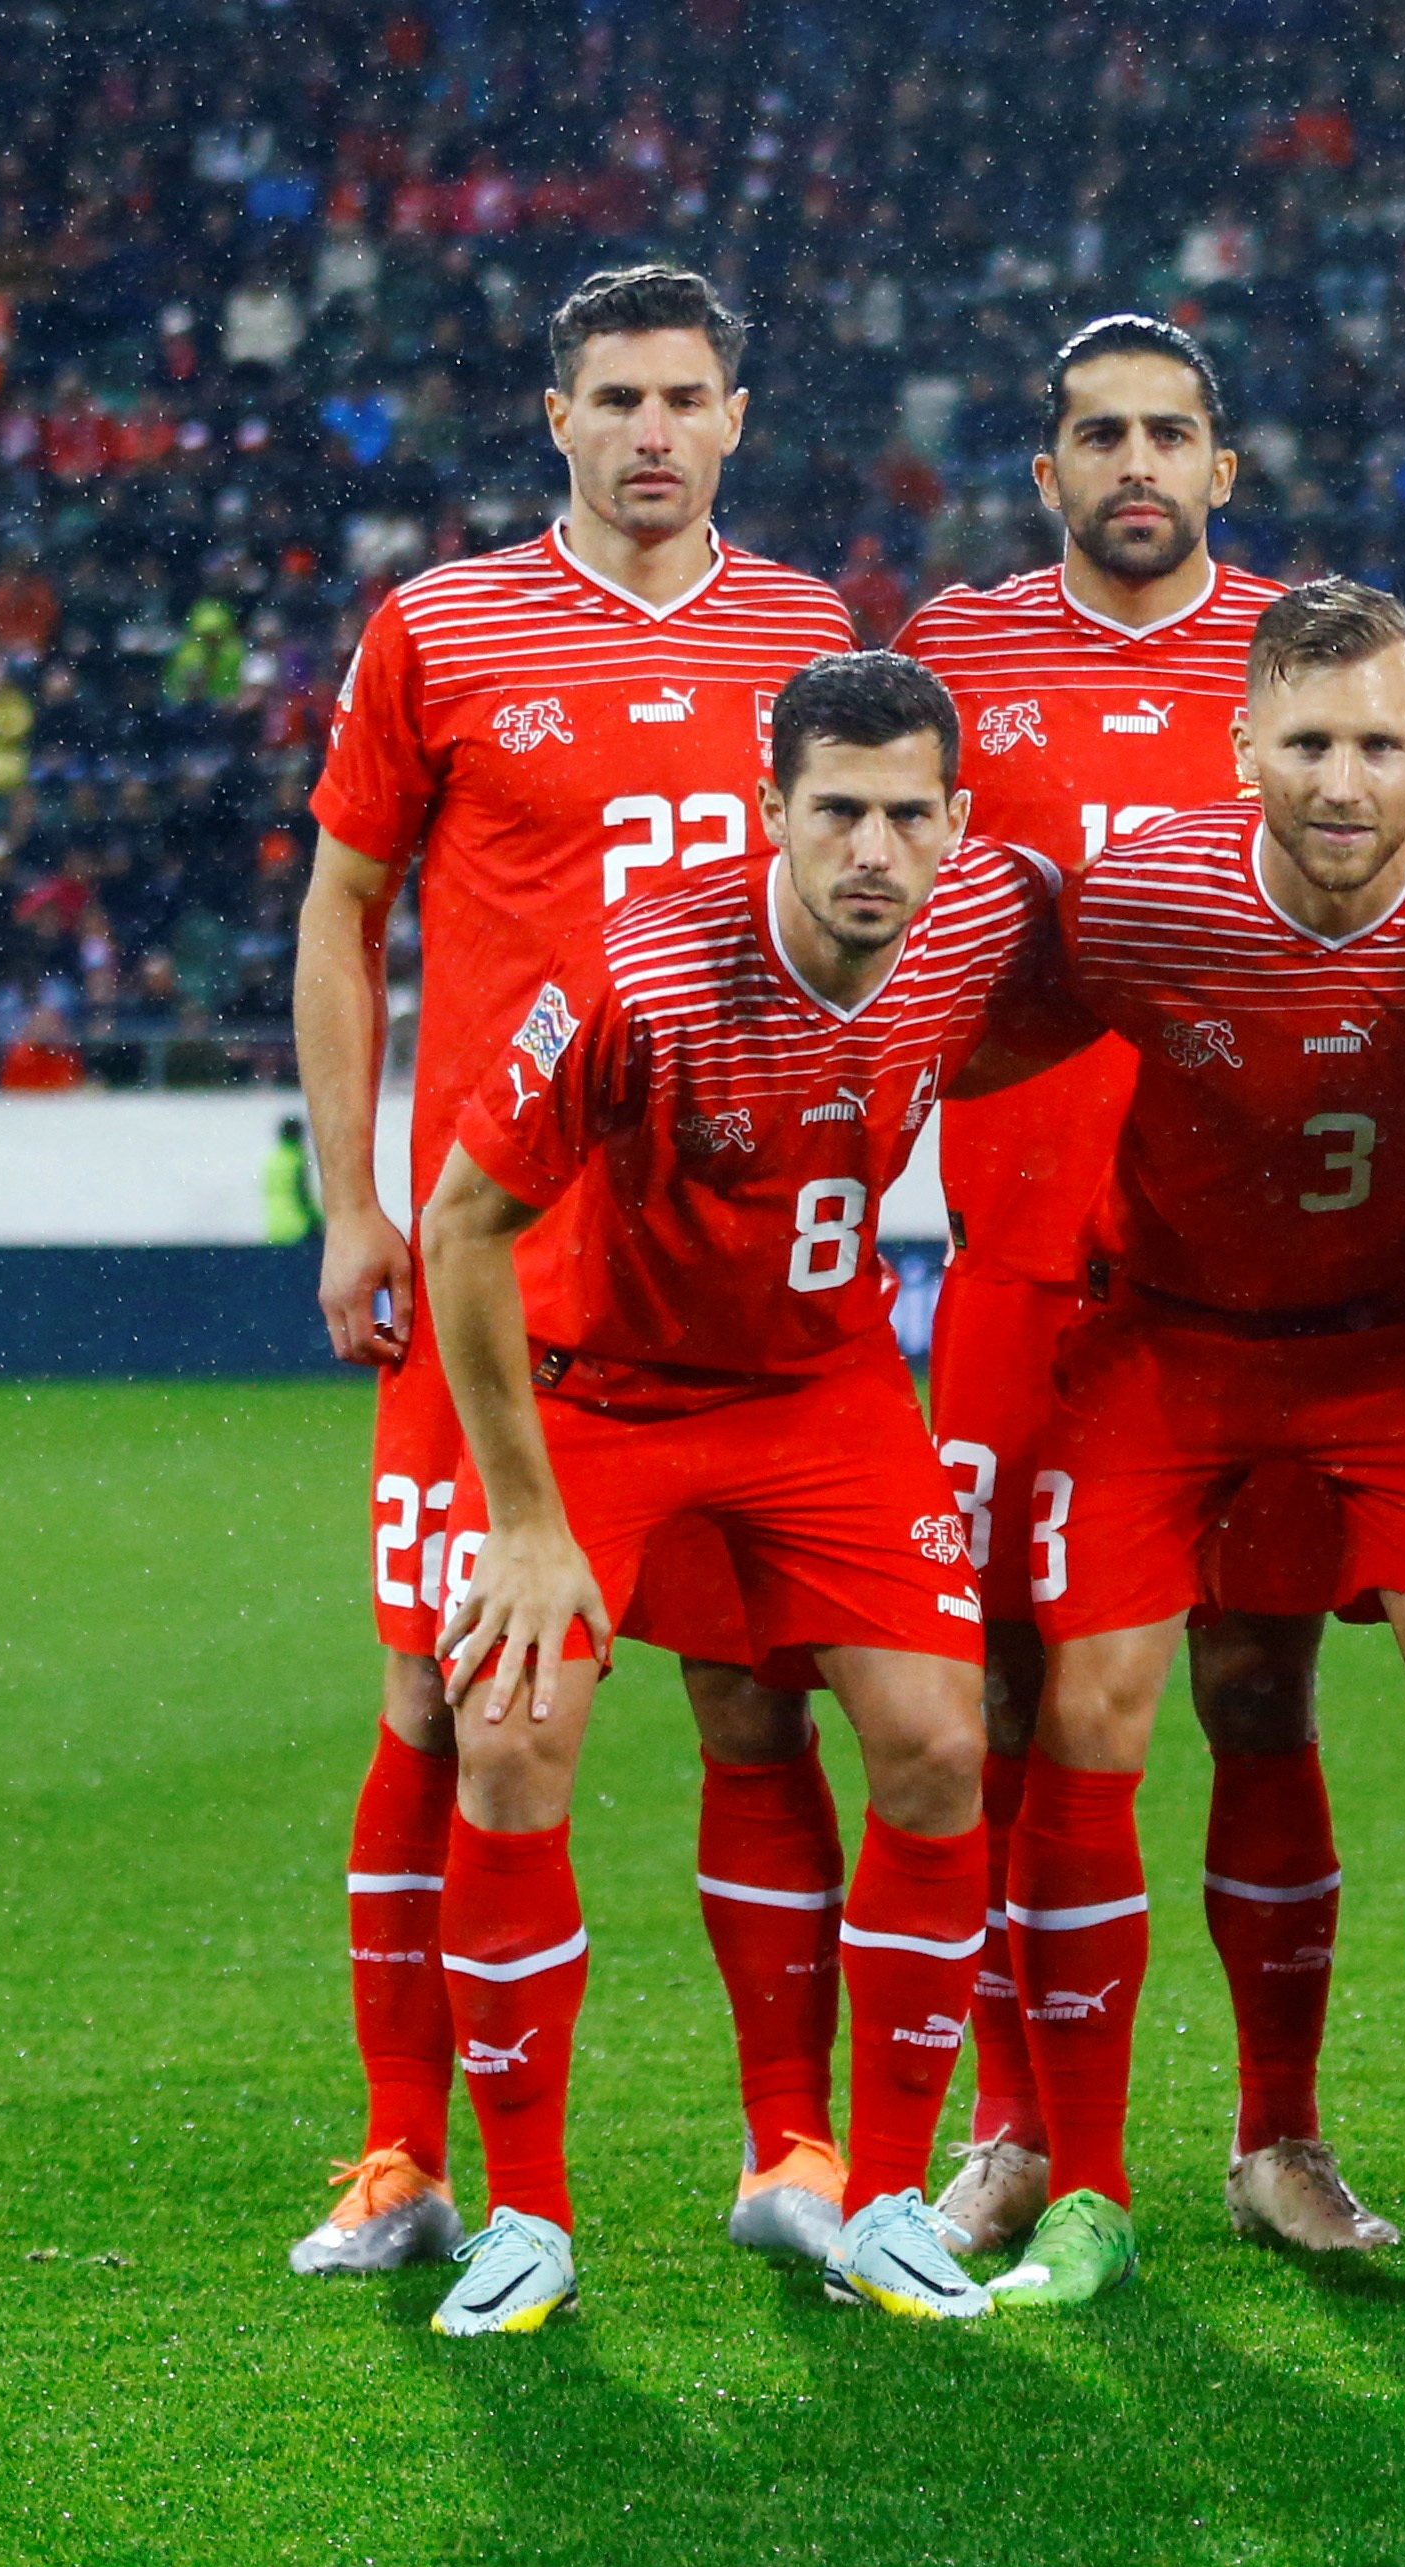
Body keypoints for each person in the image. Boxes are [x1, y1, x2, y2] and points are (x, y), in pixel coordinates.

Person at [287, 264, 861, 2282]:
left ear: (733, 416)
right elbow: (349, 906)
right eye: (613, 395)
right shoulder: (437, 628)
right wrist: (353, 1198)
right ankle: (398, 2151)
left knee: (754, 1698)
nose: (648, 430)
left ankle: (791, 2141)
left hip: (718, 1280)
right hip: (491, 1261)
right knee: (440, 1701)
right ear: (555, 414)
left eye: (683, 396)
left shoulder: (809, 635)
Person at [973, 579, 1405, 2316]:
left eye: (1381, 742)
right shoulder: (1147, 898)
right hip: (1168, 1342)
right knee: (1088, 1712)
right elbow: (975, 1032)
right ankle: (1088, 2190)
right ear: (1241, 743)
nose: (1342, 777)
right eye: (1309, 740)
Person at [411, 650, 1050, 2334]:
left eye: (908, 814)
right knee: (508, 1734)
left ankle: (882, 2194)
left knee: (934, 1737)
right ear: (771, 811)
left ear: (953, 824)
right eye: (835, 809)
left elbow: (1097, 924)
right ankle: (529, 2215)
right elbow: (466, 1222)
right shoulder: (634, 974)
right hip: (609, 1401)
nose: (872, 849)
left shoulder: (981, 917)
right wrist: (531, 1521)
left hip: (827, 1395)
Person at [891, 314, 1396, 2267]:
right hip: (1024, 1272)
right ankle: (1019, 2131)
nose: (1134, 462)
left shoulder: (1308, 662)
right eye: (1097, 433)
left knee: (1257, 1682)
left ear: (1223, 463)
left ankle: (1278, 2137)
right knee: (1018, 1700)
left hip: (1255, 1281)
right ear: (1044, 471)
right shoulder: (954, 654)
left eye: (1169, 433)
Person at [263, 1115, 322, 1243]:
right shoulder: (297, 1158)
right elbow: (302, 1195)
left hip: (275, 1226)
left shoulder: (273, 1160)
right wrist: (317, 1221)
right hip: (300, 1227)